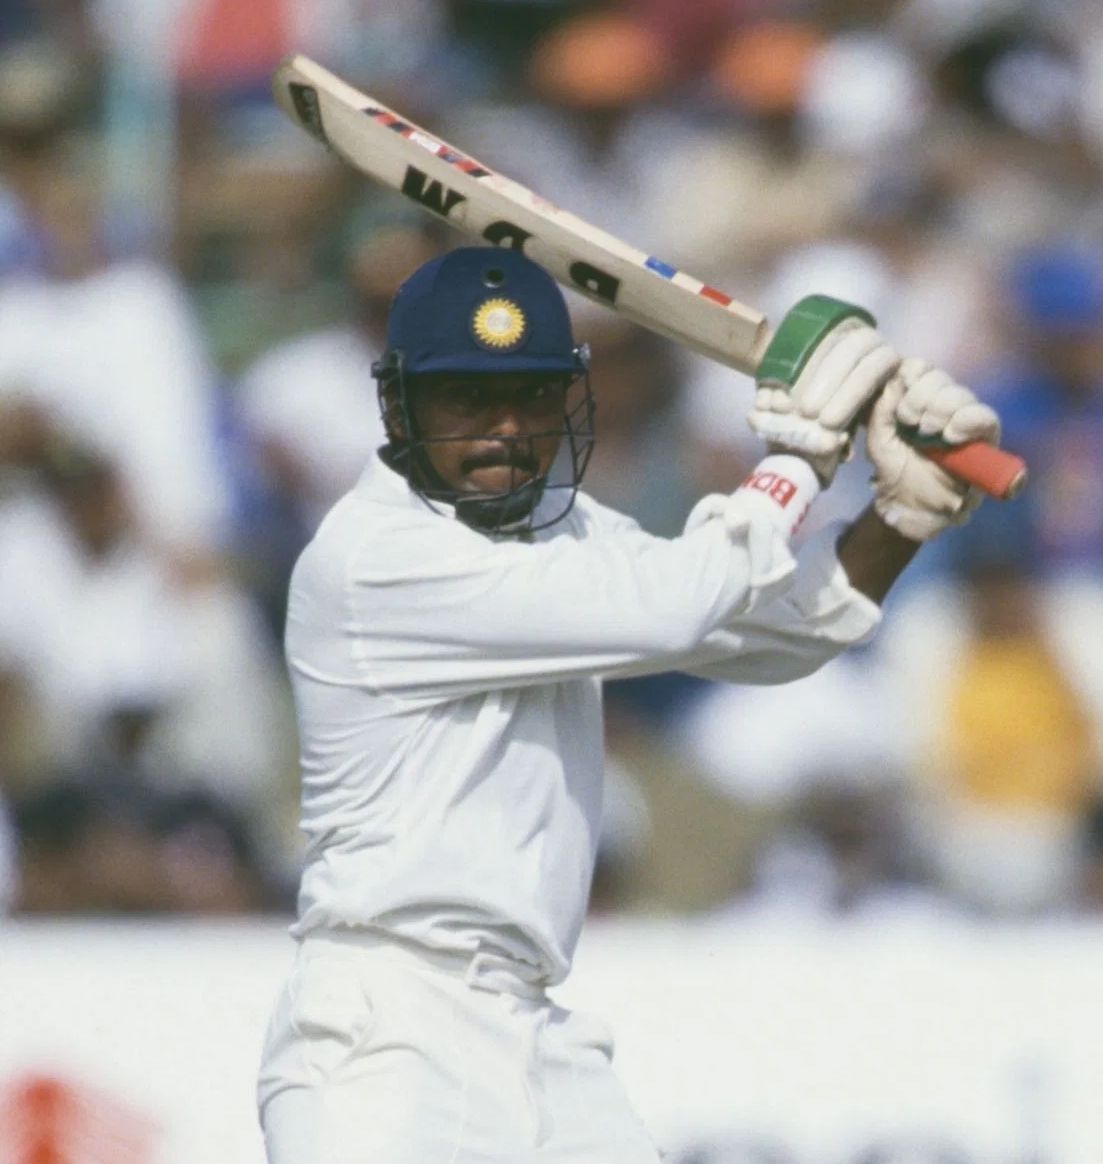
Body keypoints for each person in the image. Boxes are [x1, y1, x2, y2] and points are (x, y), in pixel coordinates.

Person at [255, 245, 1000, 1162]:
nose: (502, 429)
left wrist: (902, 510)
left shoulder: (560, 531)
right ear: (397, 405)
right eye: (464, 399)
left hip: (528, 1025)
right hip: (387, 1034)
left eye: (529, 397)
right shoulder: (374, 556)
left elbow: (764, 632)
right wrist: (802, 456)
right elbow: (685, 600)